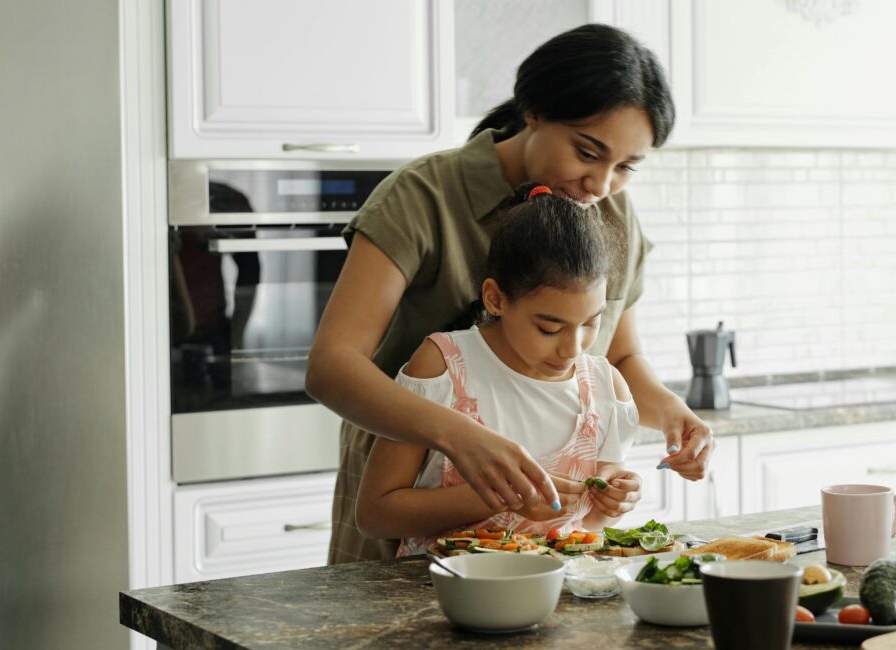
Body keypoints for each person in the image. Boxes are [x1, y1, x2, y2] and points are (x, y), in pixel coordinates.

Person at [306, 23, 715, 563]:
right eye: (587, 152)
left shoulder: (611, 212)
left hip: (541, 540)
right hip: (408, 491)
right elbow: (332, 366)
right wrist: (460, 437)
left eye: (625, 168)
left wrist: (671, 413)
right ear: (535, 112)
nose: (601, 184)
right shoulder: (423, 195)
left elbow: (617, 355)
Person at [357, 185, 641, 555]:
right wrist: (500, 497)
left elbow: (590, 526)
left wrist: (614, 502)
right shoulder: (443, 367)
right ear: (495, 299)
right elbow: (375, 515)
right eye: (549, 328)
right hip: (441, 595)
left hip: (559, 596)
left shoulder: (605, 388)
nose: (573, 348)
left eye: (591, 323)